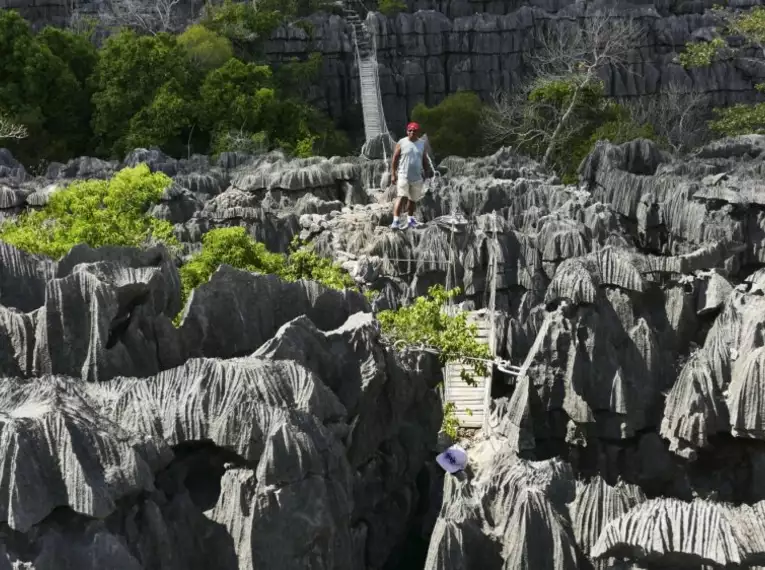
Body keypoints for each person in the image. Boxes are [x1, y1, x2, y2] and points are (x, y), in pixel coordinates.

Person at [389, 122, 430, 229]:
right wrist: (393, 174)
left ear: (418, 132)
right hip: (403, 175)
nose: (412, 132)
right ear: (407, 131)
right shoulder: (401, 142)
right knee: (401, 196)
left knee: (412, 200)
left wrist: (427, 173)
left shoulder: (422, 143)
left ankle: (410, 220)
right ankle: (396, 221)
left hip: (417, 177)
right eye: (410, 130)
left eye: (414, 130)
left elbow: (424, 159)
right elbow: (394, 159)